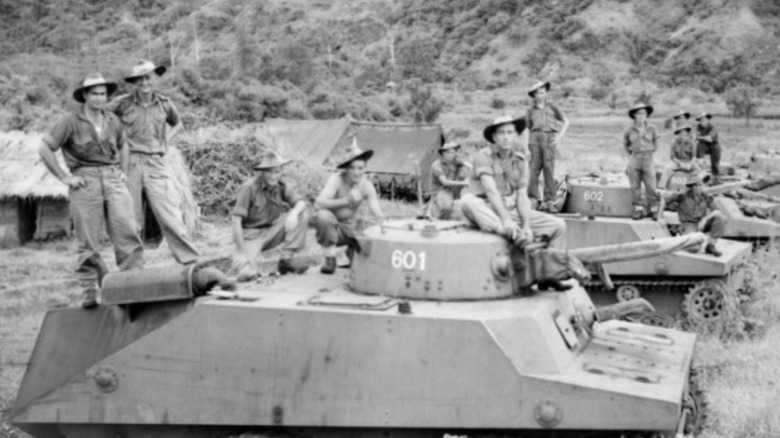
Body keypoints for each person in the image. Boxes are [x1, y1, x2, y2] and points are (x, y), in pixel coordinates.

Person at [38, 73, 144, 308]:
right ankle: (90, 292)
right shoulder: (70, 121)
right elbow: (46, 148)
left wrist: (123, 170)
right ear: (84, 95)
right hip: (85, 181)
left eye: (103, 94)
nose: (99, 98)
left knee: (127, 233)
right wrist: (65, 177)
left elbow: (123, 144)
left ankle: (134, 287)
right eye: (94, 94)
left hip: (113, 178)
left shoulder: (112, 120)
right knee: (89, 242)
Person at [459, 115, 568, 291]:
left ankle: (549, 276)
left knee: (558, 226)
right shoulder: (483, 156)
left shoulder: (520, 160)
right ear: (494, 137)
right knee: (467, 201)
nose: (506, 137)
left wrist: (526, 225)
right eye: (501, 133)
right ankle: (506, 232)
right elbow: (490, 191)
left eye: (510, 132)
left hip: (511, 210)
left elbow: (522, 195)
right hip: (487, 210)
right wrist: (505, 222)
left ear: (515, 135)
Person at [109, 60, 200, 265]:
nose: (144, 83)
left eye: (148, 77)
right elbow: (102, 118)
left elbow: (178, 125)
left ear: (155, 78)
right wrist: (114, 143)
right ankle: (131, 269)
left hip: (156, 163)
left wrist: (166, 142)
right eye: (140, 79)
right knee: (131, 220)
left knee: (170, 214)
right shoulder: (122, 103)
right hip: (129, 162)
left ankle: (190, 262)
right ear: (134, 82)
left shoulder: (165, 104)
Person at [232, 150, 310, 281]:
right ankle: (243, 260)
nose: (273, 176)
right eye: (269, 172)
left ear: (281, 172)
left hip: (271, 231)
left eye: (277, 172)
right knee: (245, 274)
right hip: (251, 236)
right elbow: (235, 220)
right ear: (262, 172)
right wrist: (242, 252)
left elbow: (301, 203)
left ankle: (287, 260)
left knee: (302, 215)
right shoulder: (249, 188)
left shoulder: (281, 186)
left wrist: (294, 214)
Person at [313, 141, 385, 274]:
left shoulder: (367, 186)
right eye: (352, 168)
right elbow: (318, 203)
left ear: (365, 168)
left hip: (351, 229)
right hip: (333, 227)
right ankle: (330, 258)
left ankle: (353, 249)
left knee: (368, 227)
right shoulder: (336, 179)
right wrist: (346, 200)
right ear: (346, 169)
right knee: (323, 216)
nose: (357, 172)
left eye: (360, 168)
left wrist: (385, 227)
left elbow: (378, 214)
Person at [525, 81, 569, 212]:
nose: (540, 95)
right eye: (537, 93)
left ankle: (550, 201)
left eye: (542, 92)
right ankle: (534, 200)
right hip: (534, 140)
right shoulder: (530, 110)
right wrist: (526, 148)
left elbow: (566, 121)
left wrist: (559, 137)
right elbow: (527, 129)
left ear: (546, 93)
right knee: (533, 171)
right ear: (534, 95)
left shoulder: (552, 107)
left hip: (549, 139)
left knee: (549, 170)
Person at [663, 173, 725, 257]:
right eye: (696, 185)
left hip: (701, 224)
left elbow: (717, 210)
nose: (699, 187)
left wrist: (705, 219)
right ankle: (688, 238)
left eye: (700, 185)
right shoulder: (682, 195)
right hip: (689, 224)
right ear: (692, 187)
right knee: (694, 249)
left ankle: (710, 245)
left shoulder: (705, 196)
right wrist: (659, 217)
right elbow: (664, 198)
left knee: (720, 218)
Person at [624, 102, 661, 220]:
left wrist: (648, 153)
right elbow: (626, 144)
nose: (641, 116)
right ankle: (637, 210)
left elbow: (656, 144)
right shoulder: (629, 130)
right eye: (638, 113)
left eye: (643, 113)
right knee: (635, 188)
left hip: (648, 158)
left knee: (651, 187)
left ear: (646, 115)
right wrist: (633, 154)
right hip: (635, 158)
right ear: (634, 115)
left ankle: (654, 210)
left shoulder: (652, 128)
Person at [422, 141, 470, 220]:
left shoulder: (454, 162)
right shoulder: (436, 165)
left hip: (452, 189)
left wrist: (465, 169)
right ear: (443, 153)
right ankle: (439, 221)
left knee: (461, 209)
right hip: (439, 191)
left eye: (454, 152)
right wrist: (464, 182)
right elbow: (445, 182)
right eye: (450, 152)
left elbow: (469, 165)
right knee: (446, 208)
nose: (453, 154)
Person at [695, 111, 720, 185]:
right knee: (699, 145)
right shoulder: (699, 127)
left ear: (707, 120)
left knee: (715, 161)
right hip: (704, 145)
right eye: (700, 120)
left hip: (714, 145)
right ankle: (702, 171)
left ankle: (716, 177)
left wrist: (700, 137)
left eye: (704, 120)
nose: (702, 122)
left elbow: (710, 138)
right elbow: (695, 137)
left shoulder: (712, 127)